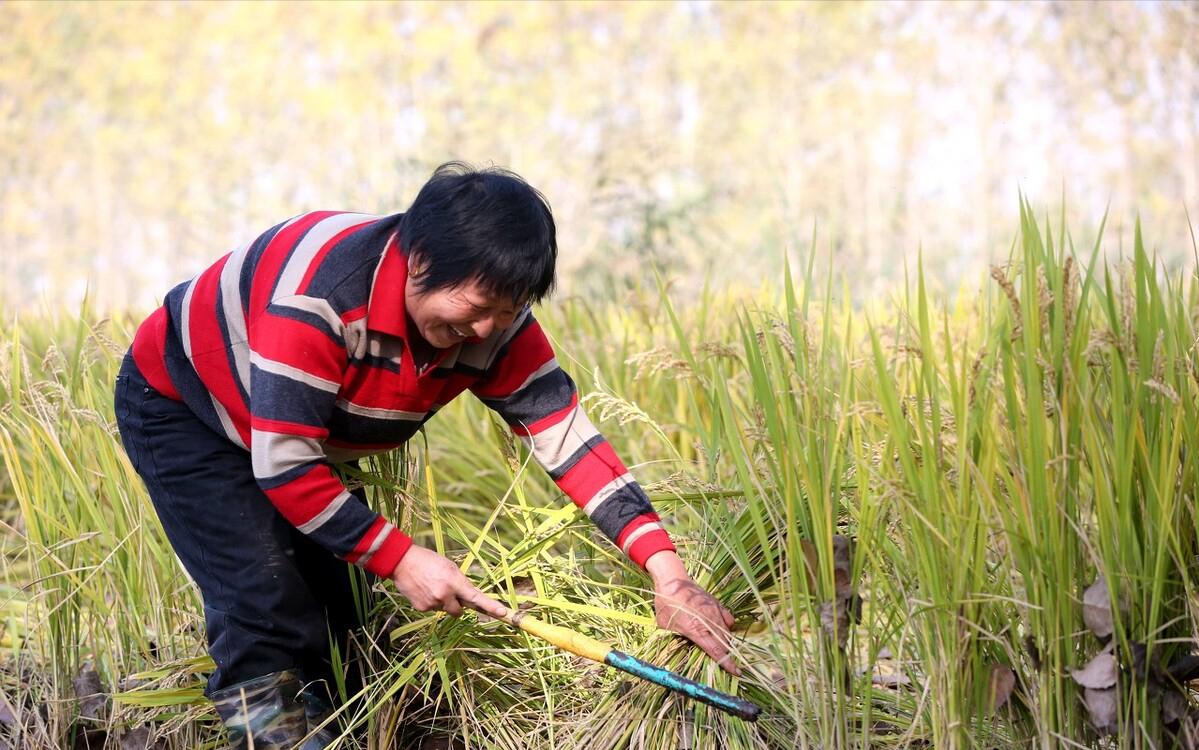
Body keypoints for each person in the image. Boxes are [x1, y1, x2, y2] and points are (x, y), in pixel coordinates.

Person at [112, 162, 739, 749]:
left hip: (296, 434)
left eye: (509, 309)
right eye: (478, 306)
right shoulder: (319, 296)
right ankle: (275, 734)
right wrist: (404, 557)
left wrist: (669, 575)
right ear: (419, 262)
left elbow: (567, 439)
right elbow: (285, 466)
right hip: (186, 406)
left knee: (346, 616)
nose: (489, 330)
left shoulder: (493, 322)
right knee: (267, 604)